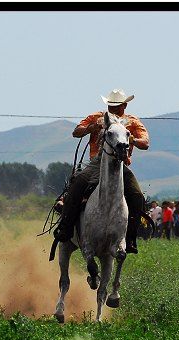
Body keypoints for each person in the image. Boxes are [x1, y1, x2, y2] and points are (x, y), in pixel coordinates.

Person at [53, 89, 150, 253]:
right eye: (111, 106)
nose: (113, 109)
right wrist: (93, 127)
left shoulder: (132, 122)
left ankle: (131, 237)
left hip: (121, 165)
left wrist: (128, 138)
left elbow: (145, 143)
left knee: (137, 196)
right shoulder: (97, 117)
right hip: (96, 164)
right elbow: (76, 132)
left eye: (117, 106)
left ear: (124, 105)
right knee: (76, 187)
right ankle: (66, 228)